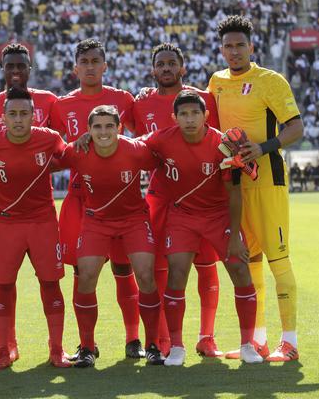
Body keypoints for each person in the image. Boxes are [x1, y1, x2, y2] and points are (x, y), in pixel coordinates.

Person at [140, 90, 262, 366]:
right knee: (177, 274)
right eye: (183, 114)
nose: (190, 119)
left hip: (219, 216)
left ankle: (247, 345)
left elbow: (234, 192)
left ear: (206, 115)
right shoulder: (162, 139)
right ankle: (178, 347)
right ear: (174, 118)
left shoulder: (222, 144)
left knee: (240, 269)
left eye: (195, 113)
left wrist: (234, 237)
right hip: (182, 216)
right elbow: (133, 147)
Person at [209, 15, 304, 362]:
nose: (234, 52)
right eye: (228, 46)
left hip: (268, 182)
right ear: (221, 50)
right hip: (234, 187)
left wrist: (262, 149)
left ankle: (290, 342)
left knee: (278, 259)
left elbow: (296, 128)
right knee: (248, 263)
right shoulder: (216, 82)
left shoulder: (270, 81)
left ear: (251, 47)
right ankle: (258, 341)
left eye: (240, 46)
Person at [50, 39, 144, 359]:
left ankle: (134, 340)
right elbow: (53, 148)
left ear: (105, 66)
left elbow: (139, 137)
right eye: (84, 62)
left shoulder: (123, 99)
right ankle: (87, 345)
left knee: (123, 268)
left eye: (95, 61)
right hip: (80, 200)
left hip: (120, 196)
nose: (90, 67)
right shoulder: (60, 105)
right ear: (75, 68)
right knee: (82, 274)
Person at [133, 43, 222, 357]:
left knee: (206, 265)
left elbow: (216, 142)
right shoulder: (139, 103)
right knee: (159, 265)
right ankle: (163, 340)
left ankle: (207, 336)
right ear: (153, 69)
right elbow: (132, 143)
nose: (167, 68)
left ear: (182, 67)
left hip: (204, 195)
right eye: (161, 64)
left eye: (172, 63)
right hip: (161, 195)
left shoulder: (204, 99)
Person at [0, 87, 71, 369]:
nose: (18, 119)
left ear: (33, 116)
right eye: (12, 114)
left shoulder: (49, 138)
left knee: (50, 283)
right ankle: (5, 350)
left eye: (24, 114)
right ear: (2, 117)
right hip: (6, 223)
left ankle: (57, 350)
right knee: (3, 286)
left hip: (42, 222)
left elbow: (70, 155)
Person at [58, 105, 163, 367]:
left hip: (134, 219)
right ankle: (87, 347)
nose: (103, 132)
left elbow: (162, 159)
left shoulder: (136, 150)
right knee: (86, 277)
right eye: (97, 127)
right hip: (96, 220)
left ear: (119, 128)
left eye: (109, 126)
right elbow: (47, 156)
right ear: (88, 131)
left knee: (146, 276)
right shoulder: (78, 151)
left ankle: (152, 345)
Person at [0, 43, 57, 138]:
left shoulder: (49, 100)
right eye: (10, 66)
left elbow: (57, 143)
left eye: (21, 66)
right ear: (2, 70)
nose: (15, 70)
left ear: (29, 70)